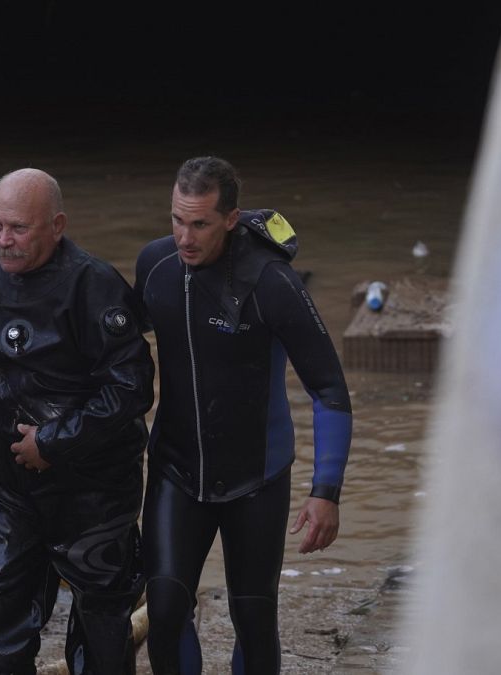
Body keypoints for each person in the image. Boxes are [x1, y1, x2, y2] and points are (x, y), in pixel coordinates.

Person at [133, 157, 353, 675]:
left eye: (200, 224)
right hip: (175, 471)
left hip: (256, 476)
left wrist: (326, 491)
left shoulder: (271, 282)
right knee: (163, 612)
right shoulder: (157, 266)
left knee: (253, 619)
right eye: (176, 220)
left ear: (231, 219)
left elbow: (329, 390)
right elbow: (116, 348)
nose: (185, 238)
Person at [0, 168, 155, 675]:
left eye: (18, 228)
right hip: (5, 486)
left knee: (102, 622)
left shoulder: (94, 286)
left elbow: (130, 387)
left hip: (92, 487)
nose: (3, 241)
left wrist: (54, 442)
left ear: (56, 225)